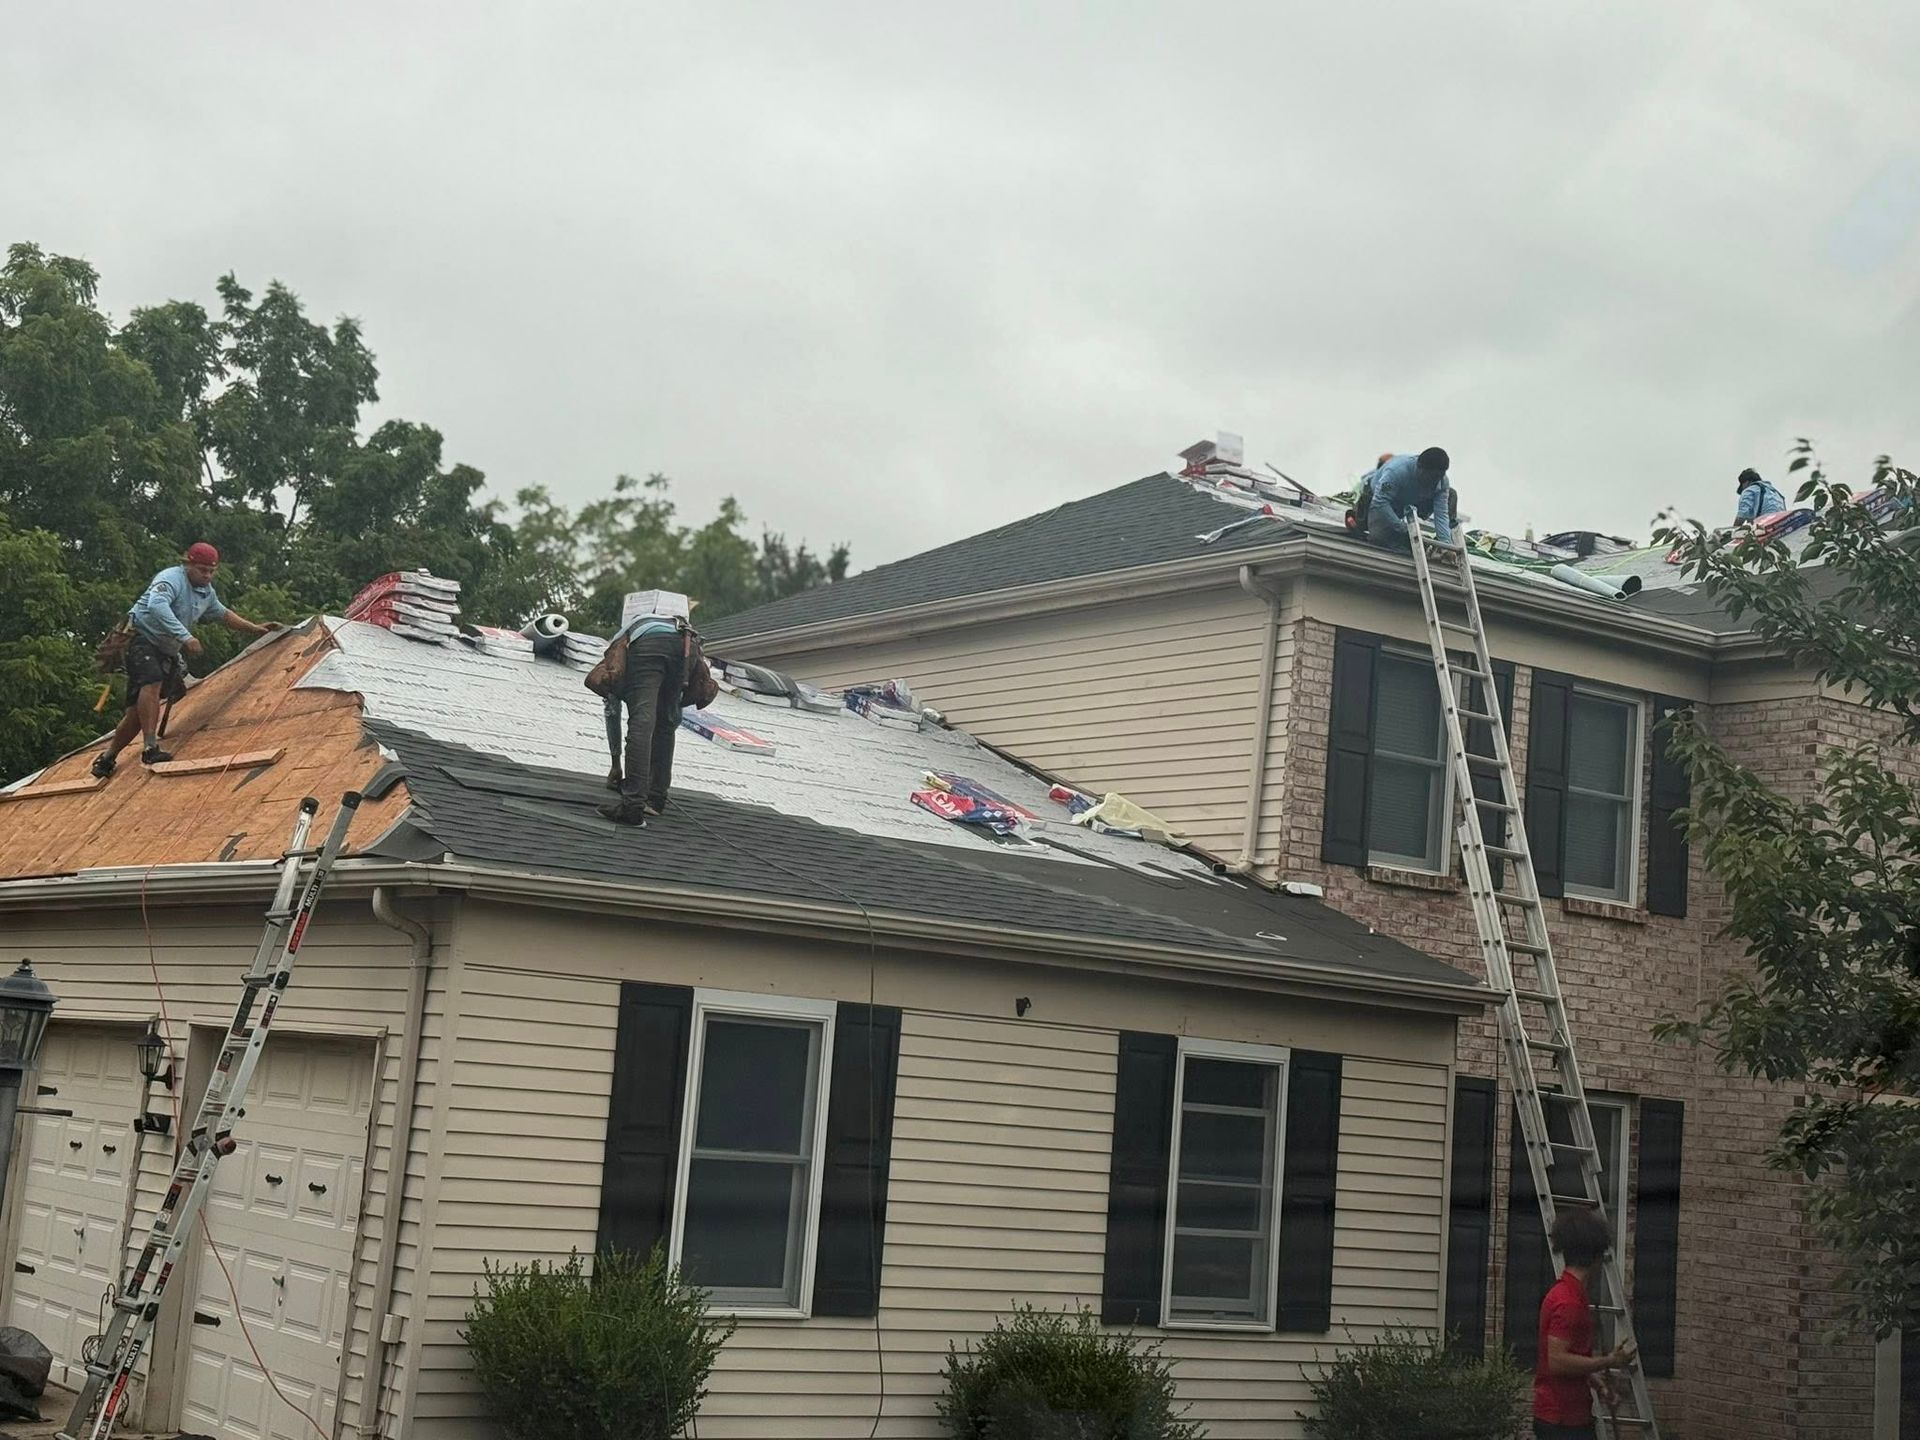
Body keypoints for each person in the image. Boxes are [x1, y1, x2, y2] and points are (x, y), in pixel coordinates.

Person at [90, 543, 280, 776]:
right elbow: (156, 606)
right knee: (152, 681)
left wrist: (255, 629)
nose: (207, 576)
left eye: (211, 571)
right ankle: (150, 748)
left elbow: (223, 614)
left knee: (137, 714)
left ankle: (107, 758)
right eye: (202, 570)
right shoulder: (171, 579)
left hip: (165, 650)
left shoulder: (206, 592)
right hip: (141, 638)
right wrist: (185, 637)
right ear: (188, 564)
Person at [1535, 1208, 1636, 1440]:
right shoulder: (1568, 1301)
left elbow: (1571, 1356)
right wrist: (1609, 1360)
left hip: (1569, 1417)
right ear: (1597, 1257)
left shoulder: (1568, 1293)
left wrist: (1599, 1385)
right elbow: (1558, 1361)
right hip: (1562, 1422)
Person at [598, 609, 691, 827]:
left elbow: (612, 707)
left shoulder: (620, 643)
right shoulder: (671, 623)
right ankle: (656, 800)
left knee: (642, 722)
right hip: (689, 645)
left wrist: (615, 764)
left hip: (651, 647)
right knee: (666, 723)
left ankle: (632, 808)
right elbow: (673, 717)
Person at [1364, 447, 1456, 548]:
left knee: (1451, 495)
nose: (1436, 482)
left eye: (1439, 477)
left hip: (1412, 499)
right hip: (1381, 501)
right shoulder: (1396, 472)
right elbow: (1380, 502)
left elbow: (1441, 514)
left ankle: (1450, 537)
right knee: (1381, 539)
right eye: (1432, 478)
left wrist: (1446, 545)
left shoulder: (1441, 481)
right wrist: (1403, 528)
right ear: (1420, 468)